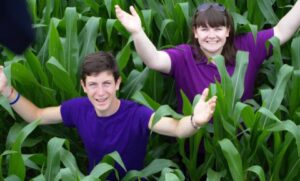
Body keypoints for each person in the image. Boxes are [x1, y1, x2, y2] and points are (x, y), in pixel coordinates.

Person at [0, 51, 217, 179]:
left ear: (118, 84)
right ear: (84, 86)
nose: (100, 92)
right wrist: (6, 90)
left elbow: (177, 129)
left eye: (106, 83)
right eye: (93, 85)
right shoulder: (79, 108)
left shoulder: (137, 114)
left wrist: (194, 121)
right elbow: (36, 115)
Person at [115, 1, 300, 112]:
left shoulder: (247, 46)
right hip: (196, 153)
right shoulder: (184, 56)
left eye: (218, 28)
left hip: (240, 150)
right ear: (195, 32)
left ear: (228, 31)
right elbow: (154, 60)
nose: (211, 35)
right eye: (204, 29)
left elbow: (282, 31)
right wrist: (137, 32)